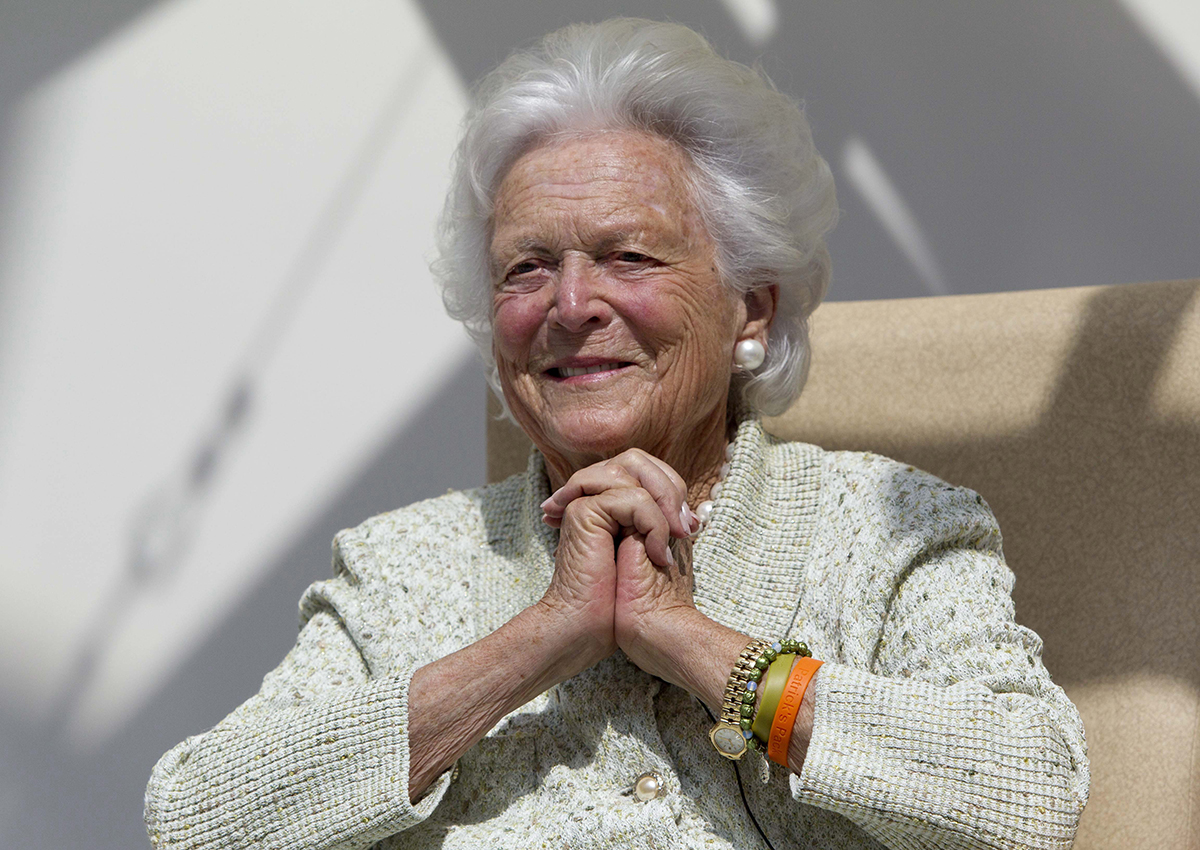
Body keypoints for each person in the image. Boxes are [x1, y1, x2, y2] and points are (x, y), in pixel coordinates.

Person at [145, 19, 1087, 850]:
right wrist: (538, 641)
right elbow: (195, 822)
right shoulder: (402, 568)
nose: (570, 306)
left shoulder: (886, 528)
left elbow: (1029, 796)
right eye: (526, 268)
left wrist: (696, 645)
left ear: (751, 309)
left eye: (628, 256)